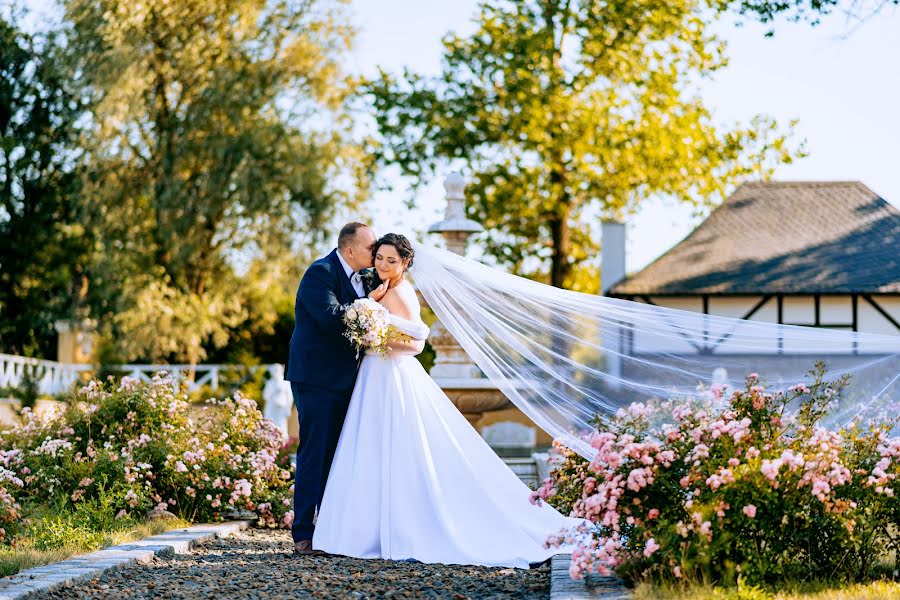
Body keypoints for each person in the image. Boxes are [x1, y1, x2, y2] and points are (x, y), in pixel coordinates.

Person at [311, 233, 582, 568]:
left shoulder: (401, 292)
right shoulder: (379, 289)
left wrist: (374, 338)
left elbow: (416, 343)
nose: (381, 264)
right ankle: (361, 529)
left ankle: (397, 527)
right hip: (373, 376)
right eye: (379, 257)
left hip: (389, 373)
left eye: (390, 260)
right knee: (368, 447)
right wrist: (369, 324)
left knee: (395, 449)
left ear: (405, 263)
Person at [285, 222, 387, 555]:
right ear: (349, 250)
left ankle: (330, 530)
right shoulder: (320, 273)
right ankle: (302, 532)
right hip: (316, 378)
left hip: (346, 379)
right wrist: (368, 306)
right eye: (371, 248)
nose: (375, 253)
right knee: (314, 453)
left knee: (336, 455)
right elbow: (330, 318)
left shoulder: (367, 276)